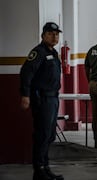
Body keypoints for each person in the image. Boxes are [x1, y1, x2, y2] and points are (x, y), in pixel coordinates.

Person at [20, 22, 64, 180]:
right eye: (51, 33)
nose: (54, 36)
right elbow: (26, 73)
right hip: (42, 98)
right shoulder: (38, 52)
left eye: (57, 34)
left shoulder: (54, 53)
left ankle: (45, 167)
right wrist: (25, 95)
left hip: (53, 98)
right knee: (42, 134)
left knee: (50, 134)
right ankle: (38, 170)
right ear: (43, 35)